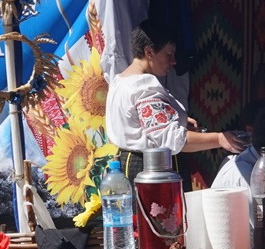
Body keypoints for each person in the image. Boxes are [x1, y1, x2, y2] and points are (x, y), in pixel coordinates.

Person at [105, 21, 247, 178]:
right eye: (169, 54)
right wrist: (219, 139)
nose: (174, 61)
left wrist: (178, 118)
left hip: (130, 163)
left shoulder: (120, 81)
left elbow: (141, 123)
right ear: (149, 52)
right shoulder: (144, 87)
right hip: (152, 169)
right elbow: (172, 140)